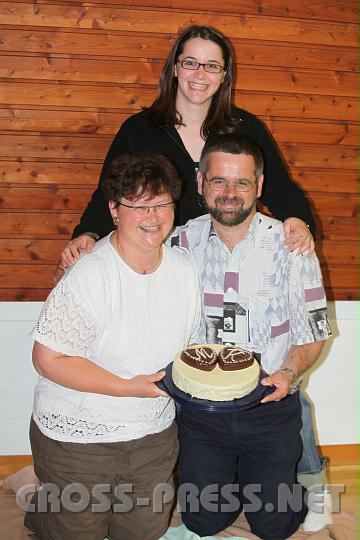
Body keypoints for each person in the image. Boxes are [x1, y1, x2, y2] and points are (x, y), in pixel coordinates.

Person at [23, 153, 204, 540]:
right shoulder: (90, 274)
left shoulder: (186, 270)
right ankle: (45, 512)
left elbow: (188, 345)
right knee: (75, 530)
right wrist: (127, 387)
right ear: (114, 210)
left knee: (143, 530)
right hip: (79, 439)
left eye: (161, 204)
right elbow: (48, 357)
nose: (152, 217)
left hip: (154, 435)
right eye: (138, 206)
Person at [170, 133, 332, 539]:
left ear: (259, 186)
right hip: (202, 413)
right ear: (201, 181)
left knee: (275, 527)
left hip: (269, 408)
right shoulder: (176, 243)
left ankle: (282, 485)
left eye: (242, 182)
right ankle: (236, 482)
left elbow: (312, 333)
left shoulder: (292, 245)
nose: (229, 193)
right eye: (219, 181)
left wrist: (288, 375)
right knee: (203, 521)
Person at [58, 24, 315, 276]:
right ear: (175, 68)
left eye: (212, 66)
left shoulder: (247, 129)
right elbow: (109, 193)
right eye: (191, 63)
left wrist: (299, 219)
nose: (200, 75)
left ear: (224, 75)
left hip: (228, 264)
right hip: (161, 265)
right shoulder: (138, 131)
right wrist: (87, 233)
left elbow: (280, 188)